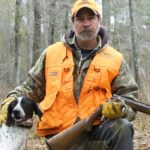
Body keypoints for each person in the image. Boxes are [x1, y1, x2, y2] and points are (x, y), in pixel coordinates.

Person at [0, 0, 138, 149]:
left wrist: (121, 109)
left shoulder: (115, 59)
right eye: (80, 19)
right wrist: (10, 100)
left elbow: (129, 98)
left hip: (98, 134)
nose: (86, 23)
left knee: (123, 127)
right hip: (60, 137)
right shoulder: (52, 53)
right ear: (73, 22)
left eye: (91, 18)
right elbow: (30, 88)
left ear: (99, 20)